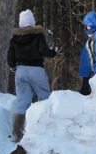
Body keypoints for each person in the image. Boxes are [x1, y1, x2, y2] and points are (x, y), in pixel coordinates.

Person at [7, 9, 58, 142]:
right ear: (32, 22)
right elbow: (44, 51)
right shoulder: (38, 35)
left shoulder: (15, 38)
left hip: (20, 71)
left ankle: (16, 134)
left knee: (22, 102)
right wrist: (53, 52)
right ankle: (44, 130)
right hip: (36, 70)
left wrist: (13, 67)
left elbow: (10, 57)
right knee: (44, 98)